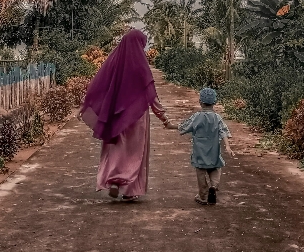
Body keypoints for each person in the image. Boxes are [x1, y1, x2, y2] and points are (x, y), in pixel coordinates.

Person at [79, 29, 175, 201]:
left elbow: (99, 87)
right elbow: (151, 95)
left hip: (115, 116)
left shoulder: (114, 62)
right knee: (135, 153)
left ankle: (115, 180)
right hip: (137, 118)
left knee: (117, 149)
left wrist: (86, 107)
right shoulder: (140, 65)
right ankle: (130, 191)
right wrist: (164, 118)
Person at [178, 87, 235, 205]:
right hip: (214, 150)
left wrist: (170, 126)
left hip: (199, 151)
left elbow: (185, 127)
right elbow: (223, 131)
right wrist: (228, 147)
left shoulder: (197, 116)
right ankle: (213, 186)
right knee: (215, 168)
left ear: (200, 102)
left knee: (200, 172)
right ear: (214, 103)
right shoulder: (217, 117)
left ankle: (202, 196)